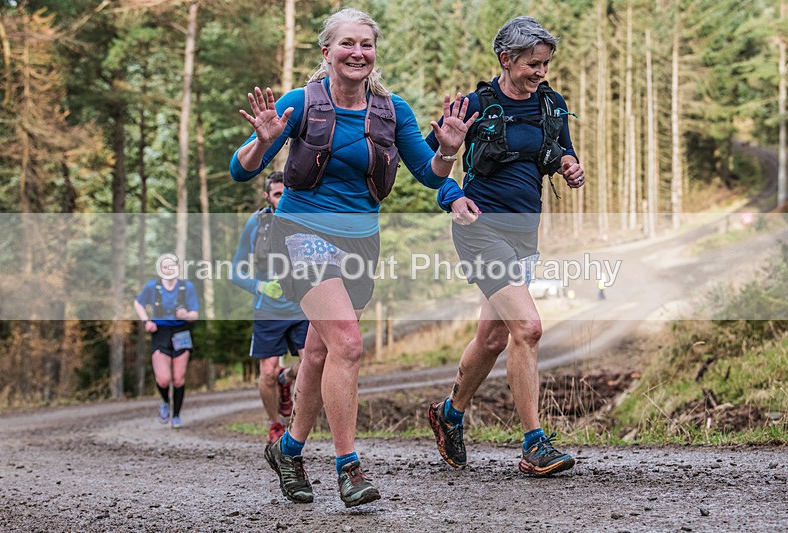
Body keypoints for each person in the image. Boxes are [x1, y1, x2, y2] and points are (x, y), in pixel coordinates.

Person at [230, 7, 476, 508]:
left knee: (320, 353)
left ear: (374, 52)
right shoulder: (301, 102)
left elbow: (427, 174)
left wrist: (448, 151)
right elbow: (241, 169)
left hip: (361, 242)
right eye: (347, 43)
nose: (357, 52)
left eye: (366, 44)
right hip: (300, 234)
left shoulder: (392, 110)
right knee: (347, 343)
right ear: (327, 52)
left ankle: (288, 450)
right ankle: (348, 466)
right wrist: (262, 142)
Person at [426, 16, 585, 477]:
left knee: (493, 337)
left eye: (546, 63)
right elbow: (428, 167)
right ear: (506, 59)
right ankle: (535, 443)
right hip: (480, 229)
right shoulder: (472, 105)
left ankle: (449, 414)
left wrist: (570, 167)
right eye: (533, 64)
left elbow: (563, 150)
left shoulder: (552, 103)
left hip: (523, 233)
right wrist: (452, 195)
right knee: (528, 328)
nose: (541, 72)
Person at [231, 171, 309, 446]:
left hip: (302, 306)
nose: (283, 198)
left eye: (287, 192)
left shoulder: (305, 216)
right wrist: (260, 287)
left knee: (312, 363)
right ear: (267, 197)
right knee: (266, 373)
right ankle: (275, 424)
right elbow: (235, 271)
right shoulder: (256, 224)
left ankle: (285, 379)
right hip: (268, 310)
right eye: (277, 194)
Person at [133, 255, 200, 429]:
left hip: (181, 332)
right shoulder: (153, 287)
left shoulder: (186, 287)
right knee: (163, 380)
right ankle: (164, 401)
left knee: (178, 379)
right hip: (160, 333)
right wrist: (146, 321)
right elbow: (138, 303)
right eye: (165, 267)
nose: (169, 270)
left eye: (172, 266)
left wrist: (186, 315)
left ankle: (176, 416)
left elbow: (195, 314)